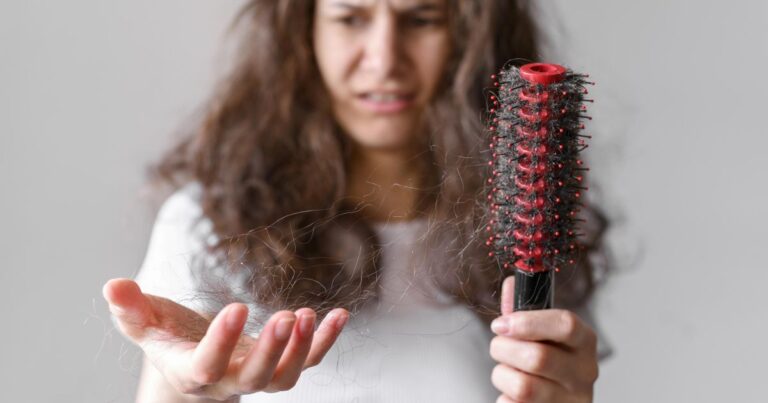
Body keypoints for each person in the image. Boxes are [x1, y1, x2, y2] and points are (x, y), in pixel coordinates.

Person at [103, 1, 609, 402]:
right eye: (350, 18)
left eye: (421, 18)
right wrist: (191, 388)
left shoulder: (531, 228)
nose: (384, 58)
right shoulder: (208, 223)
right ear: (304, 32)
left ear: (472, 33)